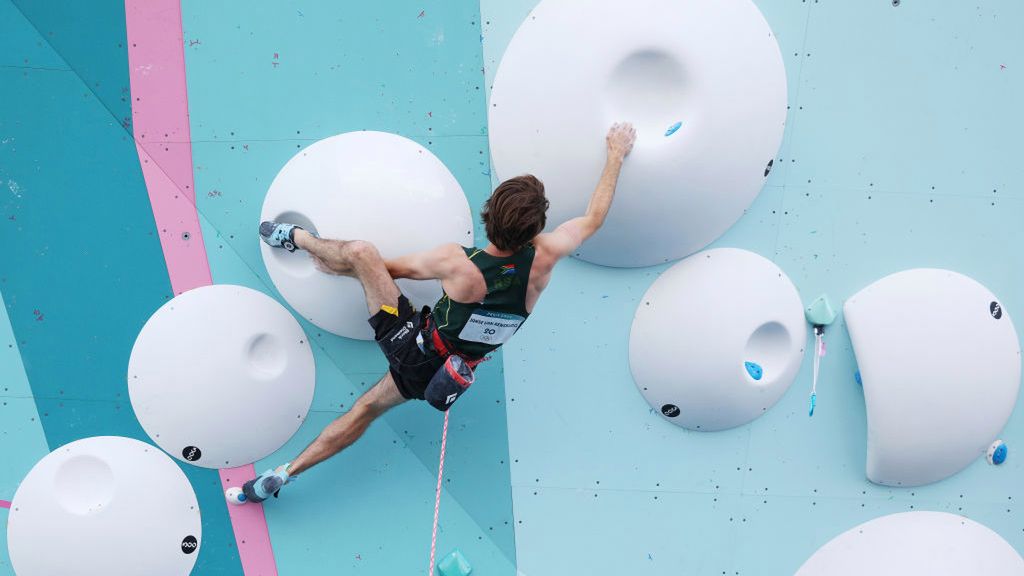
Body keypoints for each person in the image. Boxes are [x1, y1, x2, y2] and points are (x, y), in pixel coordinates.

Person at [246, 122, 636, 502]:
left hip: (409, 343)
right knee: (364, 411)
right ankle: (280, 476)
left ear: (488, 215)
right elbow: (594, 218)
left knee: (362, 253)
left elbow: (385, 269)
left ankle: (296, 238)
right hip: (440, 377)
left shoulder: (458, 263)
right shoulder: (545, 260)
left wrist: (341, 265)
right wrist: (616, 154)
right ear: (536, 229)